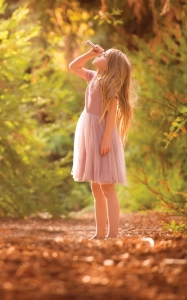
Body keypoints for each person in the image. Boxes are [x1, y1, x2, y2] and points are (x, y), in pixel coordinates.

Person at [69, 43, 137, 240]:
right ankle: (99, 233)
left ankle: (113, 233)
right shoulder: (93, 77)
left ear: (110, 66)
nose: (100, 53)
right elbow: (74, 67)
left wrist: (106, 139)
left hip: (101, 135)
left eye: (104, 54)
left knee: (106, 186)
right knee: (95, 186)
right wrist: (89, 53)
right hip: (89, 133)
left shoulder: (109, 84)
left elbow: (111, 114)